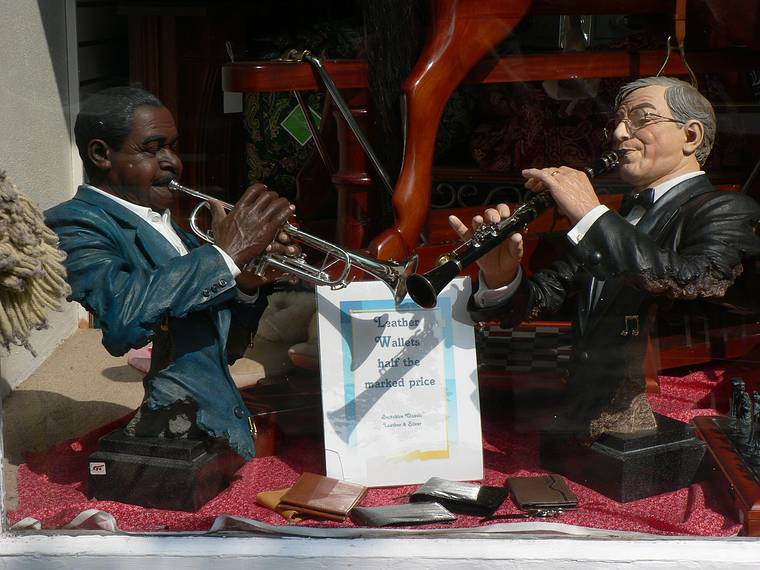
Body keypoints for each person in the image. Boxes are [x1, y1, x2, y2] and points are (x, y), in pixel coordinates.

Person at [450, 76, 760, 439]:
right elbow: (544, 299)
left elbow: (697, 281)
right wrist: (501, 277)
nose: (620, 134)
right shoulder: (617, 218)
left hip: (671, 415)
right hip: (584, 420)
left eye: (642, 119)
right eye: (618, 122)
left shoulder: (726, 208)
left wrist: (591, 214)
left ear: (690, 136)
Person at [45, 86, 296, 460]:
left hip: (212, 417)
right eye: (152, 148)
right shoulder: (73, 222)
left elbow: (222, 348)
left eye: (173, 147)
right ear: (101, 154)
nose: (173, 162)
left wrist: (244, 285)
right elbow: (123, 317)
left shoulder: (167, 224)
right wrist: (225, 256)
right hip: (170, 423)